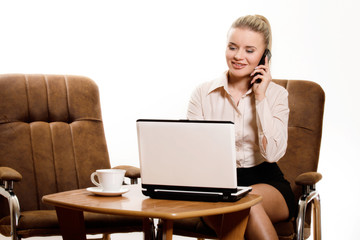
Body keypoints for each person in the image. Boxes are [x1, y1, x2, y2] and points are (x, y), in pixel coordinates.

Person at [187, 14, 296, 240]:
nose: (238, 56)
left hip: (266, 181)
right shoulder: (202, 94)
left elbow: (273, 154)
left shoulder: (277, 95)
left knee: (247, 203)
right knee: (239, 208)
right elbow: (193, 153)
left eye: (249, 50)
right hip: (216, 185)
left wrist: (261, 97)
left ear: (265, 57)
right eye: (232, 47)